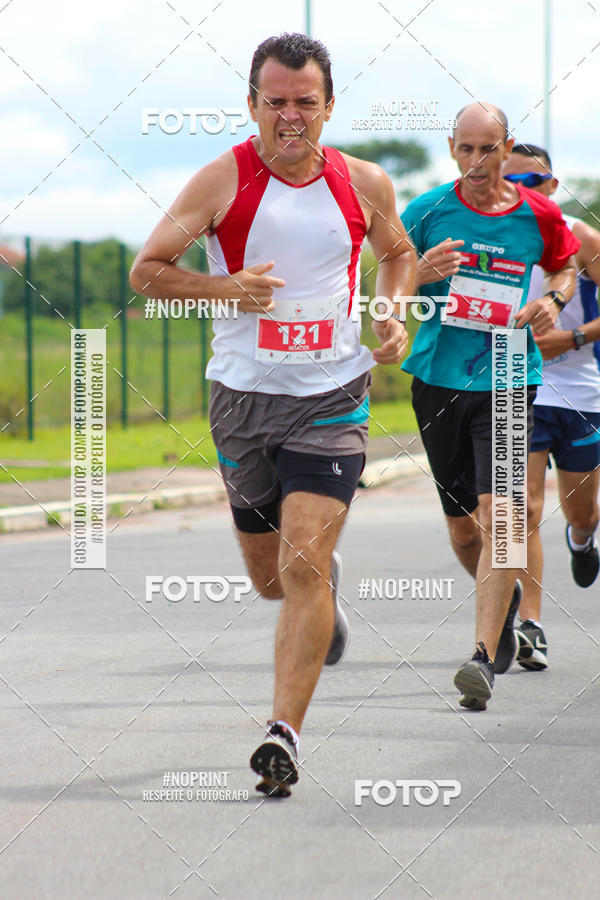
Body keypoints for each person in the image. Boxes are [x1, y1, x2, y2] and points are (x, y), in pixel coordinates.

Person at [130, 33, 416, 795]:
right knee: (271, 579)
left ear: (330, 105)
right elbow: (147, 271)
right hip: (243, 400)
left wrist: (390, 312)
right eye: (277, 102)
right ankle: (321, 590)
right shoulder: (221, 179)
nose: (291, 116)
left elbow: (397, 254)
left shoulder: (364, 182)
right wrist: (227, 288)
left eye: (305, 102)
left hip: (332, 397)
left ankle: (282, 733)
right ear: (253, 104)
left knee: (302, 563)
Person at [400, 103, 579, 710]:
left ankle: (479, 657)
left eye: (488, 149)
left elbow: (564, 267)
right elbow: (380, 281)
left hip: (507, 371)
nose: (477, 162)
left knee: (500, 514)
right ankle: (502, 607)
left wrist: (553, 300)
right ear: (452, 147)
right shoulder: (426, 210)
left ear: (507, 148)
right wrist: (418, 272)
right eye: (466, 149)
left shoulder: (538, 214)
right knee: (463, 527)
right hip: (438, 377)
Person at [501, 144, 600, 671]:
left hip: (581, 393)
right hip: (519, 387)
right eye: (511, 182)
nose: (522, 191)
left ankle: (582, 541)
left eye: (532, 182)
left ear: (553, 186)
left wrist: (574, 337)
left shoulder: (578, 237)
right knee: (523, 509)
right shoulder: (494, 238)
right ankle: (530, 624)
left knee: (582, 511)